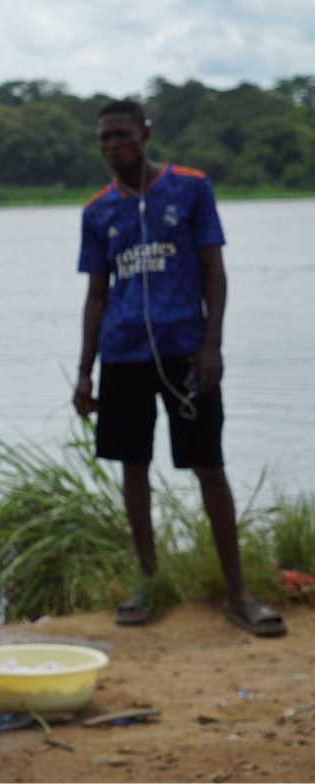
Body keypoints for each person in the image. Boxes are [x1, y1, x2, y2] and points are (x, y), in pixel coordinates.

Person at [73, 100, 286, 637]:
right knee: (133, 466)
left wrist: (212, 342)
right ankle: (149, 583)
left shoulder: (191, 188)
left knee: (208, 464)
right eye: (104, 138)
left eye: (121, 134)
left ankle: (238, 593)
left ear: (144, 134)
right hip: (122, 355)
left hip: (186, 351)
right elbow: (96, 295)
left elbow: (214, 269)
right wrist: (84, 371)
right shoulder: (98, 211)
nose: (112, 145)